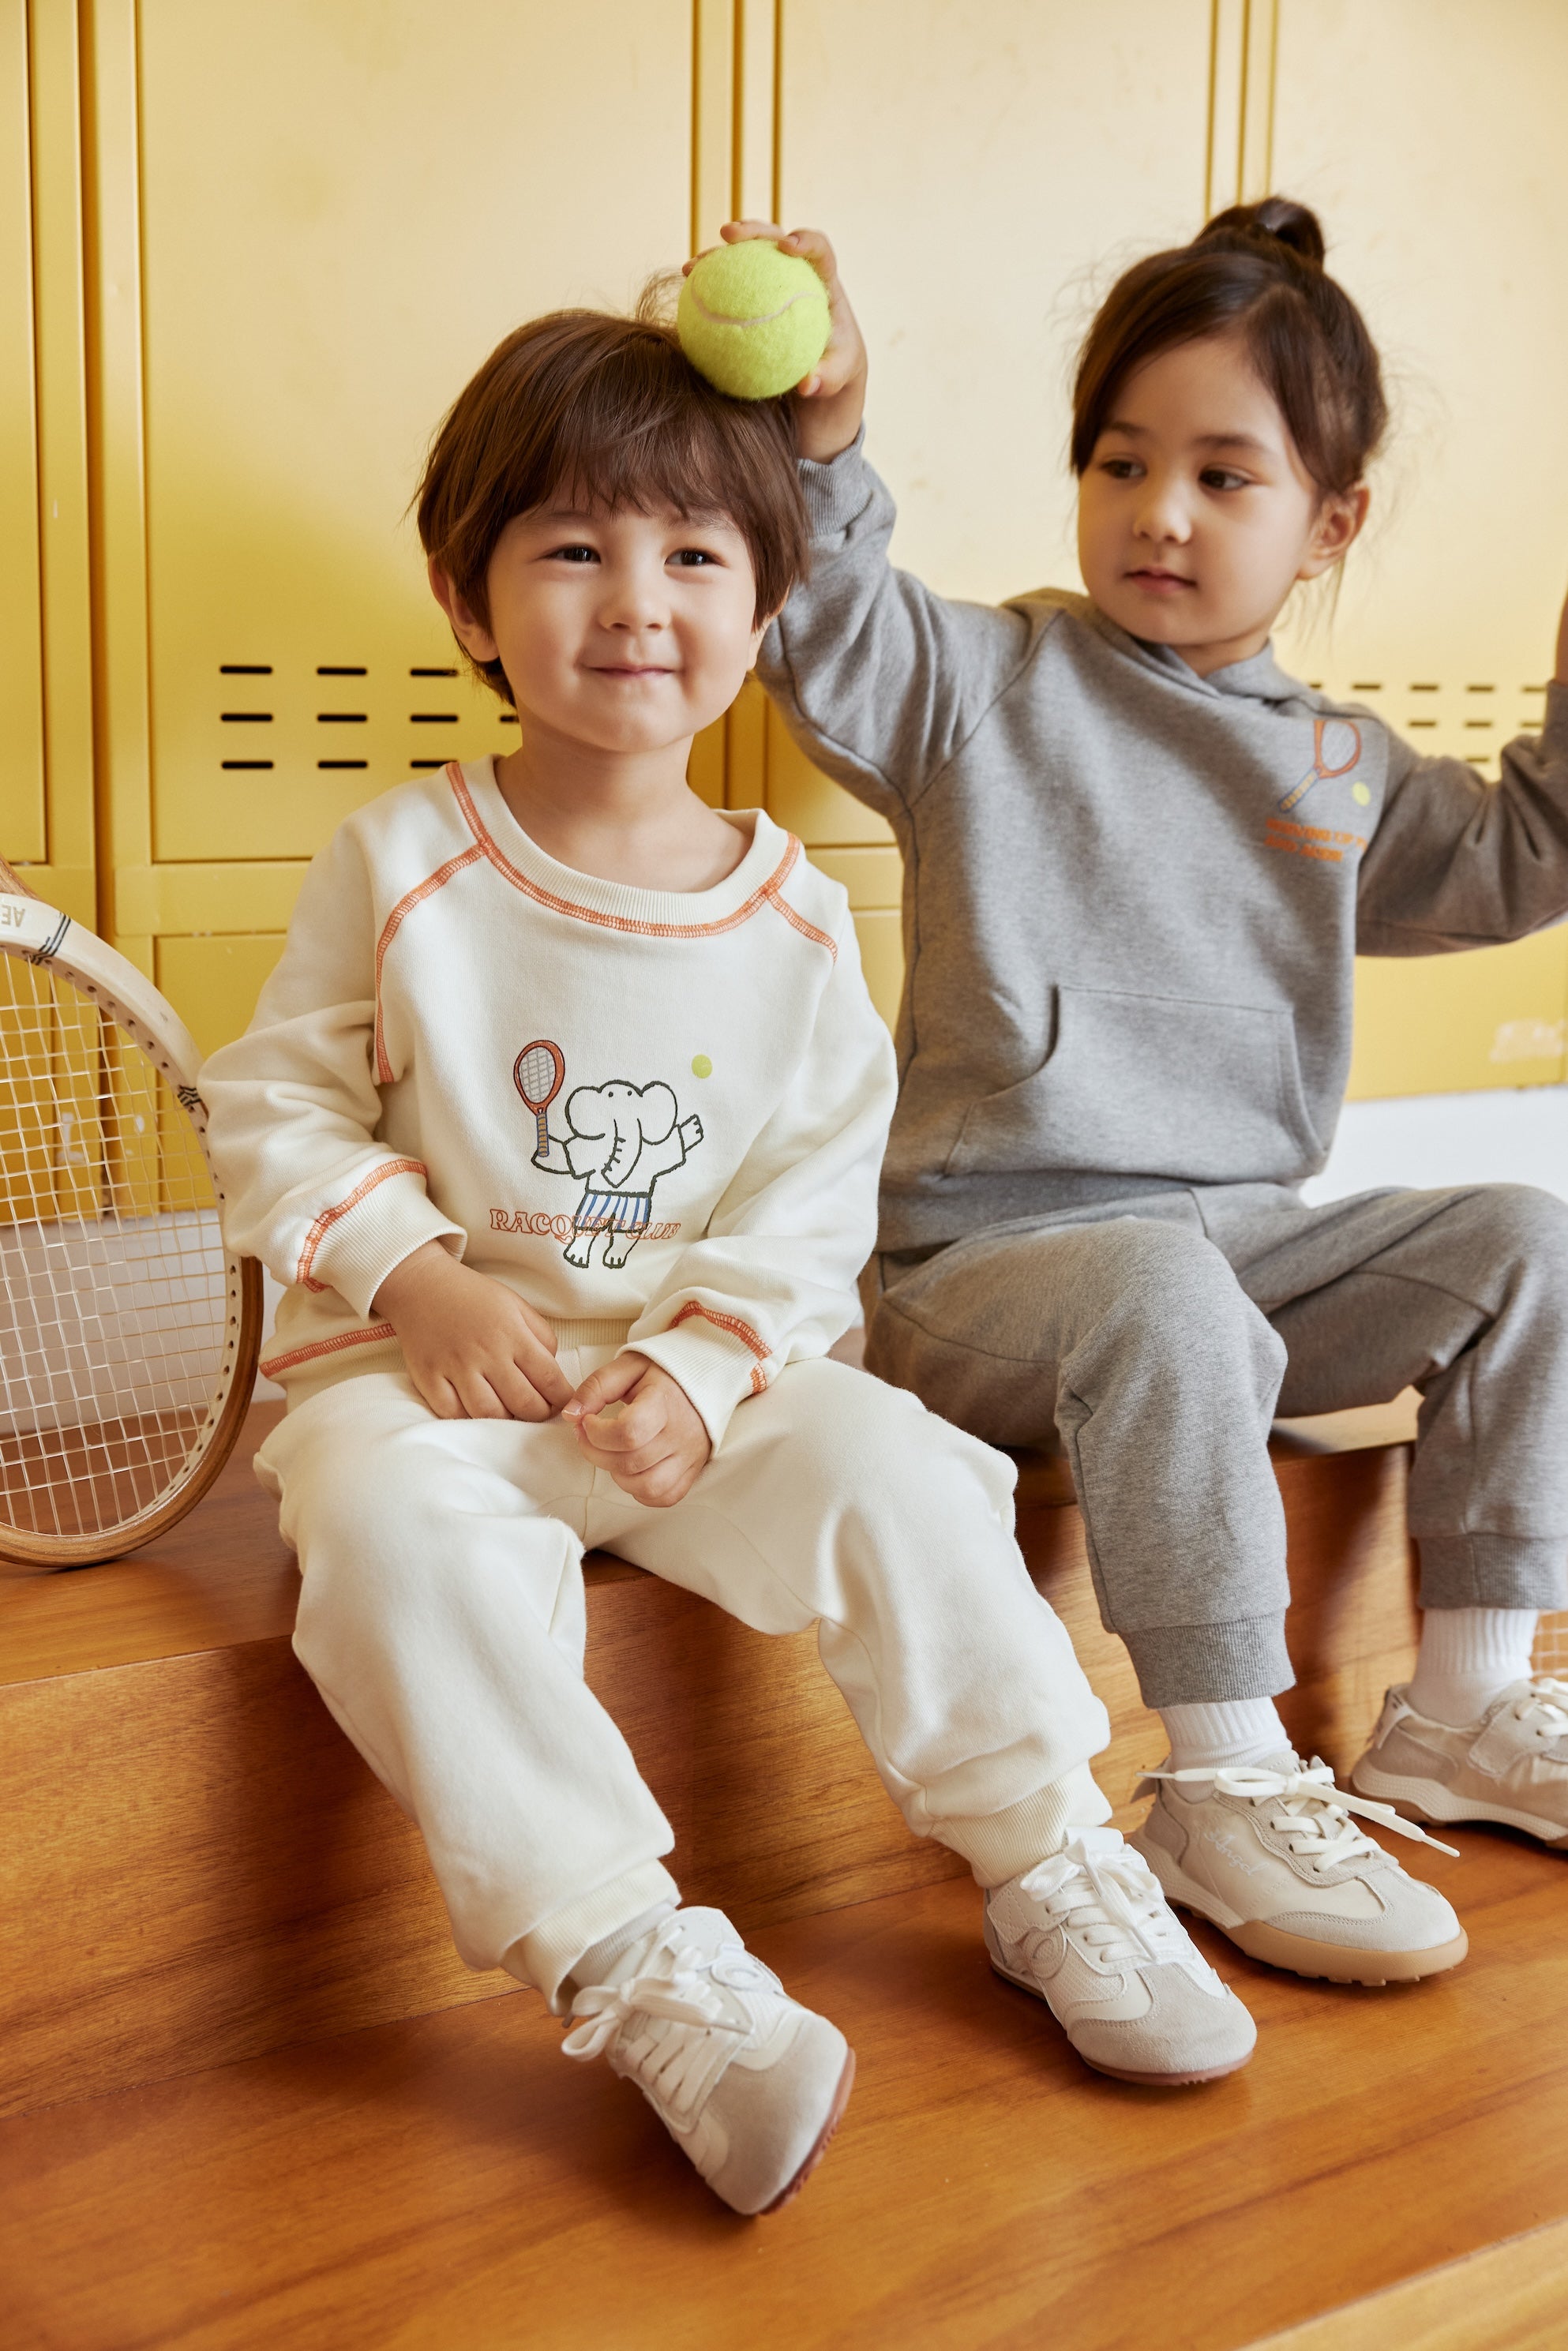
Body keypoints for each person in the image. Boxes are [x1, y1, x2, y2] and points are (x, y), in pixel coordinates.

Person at [200, 303, 1258, 2222]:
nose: (635, 599)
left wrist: (695, 1373)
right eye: (575, 547)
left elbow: (806, 1200)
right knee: (381, 1545)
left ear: (763, 605)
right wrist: (419, 1276)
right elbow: (273, 1113)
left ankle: (1047, 1857)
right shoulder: (400, 859)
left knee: (905, 1475)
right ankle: (637, 1962)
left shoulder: (793, 915)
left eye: (695, 553)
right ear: (470, 591)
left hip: (704, 1396)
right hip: (424, 1390)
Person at [740, 197, 1568, 1989]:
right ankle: (1221, 1772)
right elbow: (822, 613)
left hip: (1238, 1262)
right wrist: (822, 431)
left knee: (1527, 1237)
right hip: (989, 1280)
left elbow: (1523, 855)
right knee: (1162, 1288)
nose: (1161, 513)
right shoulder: (987, 681)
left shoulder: (1341, 767)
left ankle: (1465, 1707)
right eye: (1122, 462)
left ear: (1329, 522)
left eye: (1223, 474)